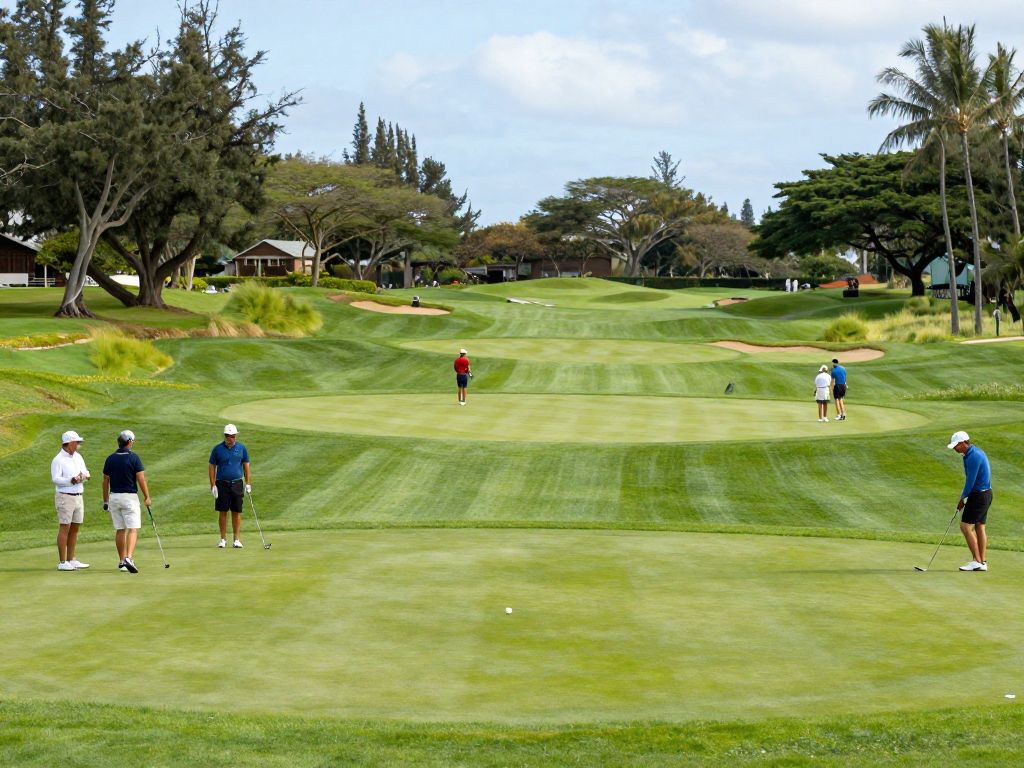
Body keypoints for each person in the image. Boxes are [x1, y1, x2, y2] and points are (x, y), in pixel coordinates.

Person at [102, 430, 151, 573]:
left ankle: (122, 561)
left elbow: (105, 481)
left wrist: (105, 500)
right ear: (129, 441)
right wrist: (147, 497)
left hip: (114, 498)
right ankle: (129, 558)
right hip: (129, 497)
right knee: (133, 528)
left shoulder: (110, 458)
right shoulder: (134, 458)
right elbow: (141, 479)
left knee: (120, 529)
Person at [948, 431, 992, 572]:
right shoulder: (971, 453)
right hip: (985, 494)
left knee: (965, 527)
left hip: (979, 496)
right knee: (979, 526)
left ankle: (977, 561)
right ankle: (982, 562)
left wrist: (962, 500)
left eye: (956, 446)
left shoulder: (973, 456)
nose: (955, 449)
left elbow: (970, 481)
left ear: (963, 443)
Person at [51, 430, 91, 571]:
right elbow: (55, 479)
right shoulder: (58, 459)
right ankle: (62, 562)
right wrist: (71, 480)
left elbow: (86, 472)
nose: (78, 445)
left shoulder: (78, 457)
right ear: (68, 443)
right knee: (65, 527)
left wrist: (85, 476)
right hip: (65, 496)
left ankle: (71, 559)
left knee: (75, 528)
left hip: (78, 495)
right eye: (76, 442)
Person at [208, 423, 251, 548]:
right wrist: (213, 485)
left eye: (232, 436)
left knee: (236, 511)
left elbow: (246, 465)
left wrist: (248, 483)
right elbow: (211, 467)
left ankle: (236, 540)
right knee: (223, 511)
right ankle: (223, 539)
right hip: (222, 484)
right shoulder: (217, 449)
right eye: (228, 436)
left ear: (235, 436)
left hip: (237, 483)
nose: (230, 439)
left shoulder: (242, 448)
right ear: (225, 436)